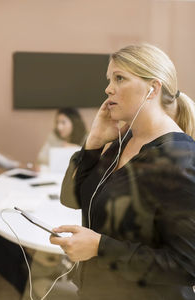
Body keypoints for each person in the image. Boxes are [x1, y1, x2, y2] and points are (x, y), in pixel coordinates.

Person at [50, 44, 195, 300]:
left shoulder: (180, 158)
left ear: (153, 88)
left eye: (120, 78)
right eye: (109, 79)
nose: (108, 88)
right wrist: (94, 141)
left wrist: (99, 247)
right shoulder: (121, 142)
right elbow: (70, 198)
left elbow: (185, 266)